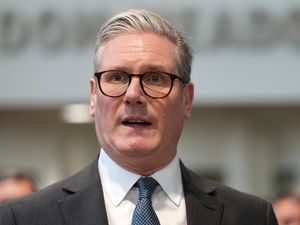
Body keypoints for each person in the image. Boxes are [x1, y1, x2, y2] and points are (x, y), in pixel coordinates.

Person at [0, 9, 278, 225]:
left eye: (155, 78)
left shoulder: (250, 216)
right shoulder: (24, 218)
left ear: (187, 99)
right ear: (94, 97)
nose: (133, 94)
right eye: (117, 77)